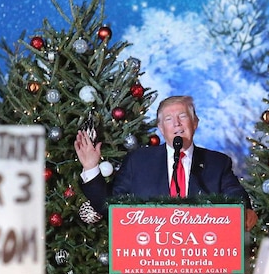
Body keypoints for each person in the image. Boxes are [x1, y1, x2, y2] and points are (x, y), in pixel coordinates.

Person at [75, 95, 258, 230]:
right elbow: (110, 207)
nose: (177, 124)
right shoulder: (138, 161)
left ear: (195, 123)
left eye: (183, 116)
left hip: (201, 263)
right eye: (169, 120)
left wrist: (244, 211)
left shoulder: (217, 163)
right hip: (150, 265)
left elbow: (236, 197)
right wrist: (91, 167)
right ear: (161, 129)